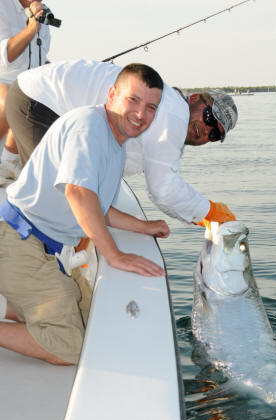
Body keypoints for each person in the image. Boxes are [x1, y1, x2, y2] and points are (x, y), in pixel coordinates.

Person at [0, 63, 170, 366]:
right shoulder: (89, 126)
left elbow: (98, 207)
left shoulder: (114, 144)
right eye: (133, 100)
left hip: (42, 248)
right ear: (112, 94)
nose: (141, 114)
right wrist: (114, 255)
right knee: (71, 346)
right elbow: (78, 194)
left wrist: (144, 227)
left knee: (89, 316)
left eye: (151, 107)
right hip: (20, 242)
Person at [5, 58, 237, 226]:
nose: (206, 130)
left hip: (36, 95)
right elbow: (163, 189)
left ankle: (8, 167)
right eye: (209, 117)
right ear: (194, 99)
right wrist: (208, 211)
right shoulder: (175, 115)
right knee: (55, 203)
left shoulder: (167, 113)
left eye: (214, 134)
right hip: (38, 101)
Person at [0, 0, 51, 180]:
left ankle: (10, 162)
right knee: (11, 101)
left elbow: (39, 59)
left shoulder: (43, 14)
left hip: (28, 84)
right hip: (2, 79)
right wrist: (32, 27)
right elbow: (5, 57)